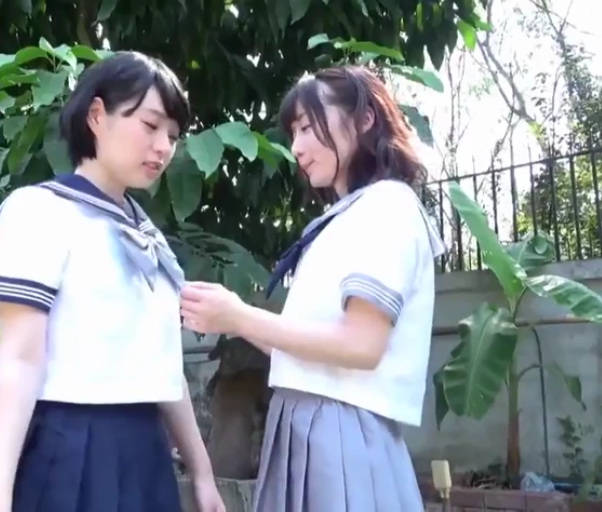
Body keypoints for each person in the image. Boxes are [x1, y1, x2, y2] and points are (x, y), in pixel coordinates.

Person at [179, 65, 446, 511]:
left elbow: (360, 346)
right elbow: (307, 346)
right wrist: (231, 317)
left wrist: (239, 316)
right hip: (309, 426)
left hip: (339, 432)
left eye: (307, 127)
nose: (297, 148)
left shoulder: (387, 208)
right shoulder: (349, 216)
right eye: (293, 133)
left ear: (365, 119)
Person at [0, 51, 225, 512]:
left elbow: (164, 368)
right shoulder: (39, 211)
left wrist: (202, 472)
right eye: (150, 125)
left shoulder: (147, 234)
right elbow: (19, 361)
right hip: (73, 449)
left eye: (173, 135)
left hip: (147, 453)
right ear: (96, 115)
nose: (163, 147)